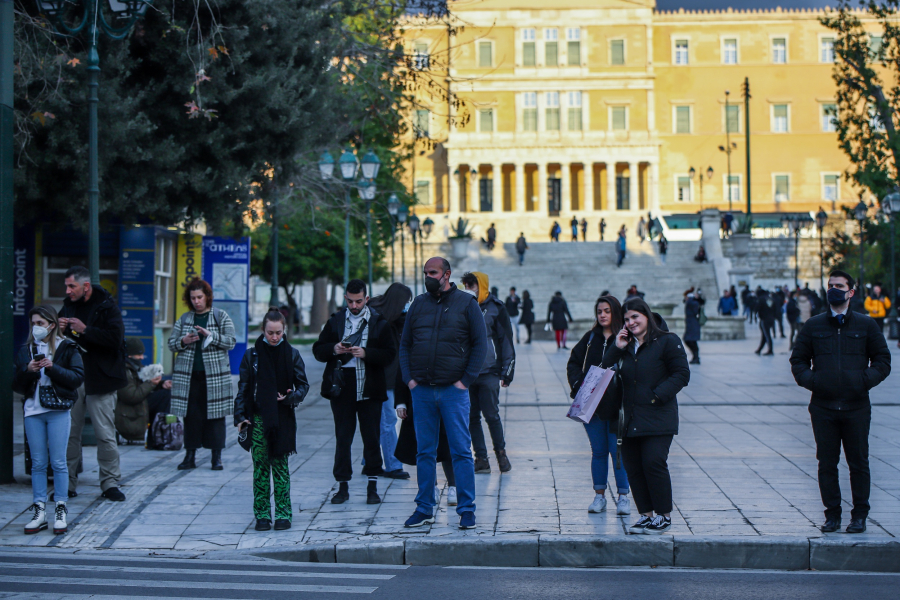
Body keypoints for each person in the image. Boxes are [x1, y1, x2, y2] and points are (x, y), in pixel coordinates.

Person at [790, 271, 891, 534]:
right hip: (823, 407)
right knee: (827, 463)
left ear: (851, 292)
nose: (834, 289)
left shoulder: (866, 325)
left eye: (839, 286)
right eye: (830, 286)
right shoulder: (813, 326)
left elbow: (882, 361)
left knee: (858, 462)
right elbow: (798, 360)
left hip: (856, 406)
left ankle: (859, 515)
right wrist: (814, 381)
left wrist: (862, 381)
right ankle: (832, 514)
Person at [399, 257, 488, 529]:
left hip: (453, 391)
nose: (428, 276)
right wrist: (410, 380)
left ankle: (466, 509)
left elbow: (480, 344)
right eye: (425, 272)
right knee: (424, 452)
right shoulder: (418, 304)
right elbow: (405, 345)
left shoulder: (467, 303)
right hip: (422, 390)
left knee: (461, 451)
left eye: (433, 272)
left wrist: (465, 381)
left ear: (446, 275)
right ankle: (424, 507)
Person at [603, 298, 690, 535]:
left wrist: (656, 396)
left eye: (635, 317)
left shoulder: (667, 341)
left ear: (647, 316)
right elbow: (603, 370)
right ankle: (646, 515)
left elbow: (682, 374)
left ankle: (663, 515)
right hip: (628, 417)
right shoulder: (624, 345)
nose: (631, 322)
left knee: (653, 462)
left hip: (658, 416)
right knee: (634, 467)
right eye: (627, 319)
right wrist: (616, 347)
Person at [313, 279, 396, 505]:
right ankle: (342, 487)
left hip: (370, 385)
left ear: (366, 299)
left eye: (359, 301)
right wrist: (334, 349)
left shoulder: (379, 322)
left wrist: (367, 353)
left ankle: (372, 486)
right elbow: (318, 351)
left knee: (371, 438)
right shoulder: (336, 321)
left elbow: (390, 354)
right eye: (350, 301)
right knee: (343, 437)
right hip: (343, 386)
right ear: (345, 299)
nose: (354, 305)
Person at [234, 308, 310, 531]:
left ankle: (284, 514)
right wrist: (240, 417)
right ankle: (262, 515)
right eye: (270, 333)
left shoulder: (292, 354)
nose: (274, 337)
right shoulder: (251, 355)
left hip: (283, 418)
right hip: (257, 418)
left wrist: (289, 398)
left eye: (278, 332)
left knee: (280, 466)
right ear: (263, 330)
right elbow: (243, 388)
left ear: (284, 330)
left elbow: (303, 386)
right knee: (260, 468)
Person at [59, 266, 127, 502]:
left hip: (101, 378)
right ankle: (65, 483)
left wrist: (85, 330)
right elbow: (59, 339)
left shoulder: (108, 307)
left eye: (72, 286)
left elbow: (115, 340)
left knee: (105, 435)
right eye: (66, 286)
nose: (68, 291)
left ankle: (109, 483)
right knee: (69, 434)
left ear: (85, 286)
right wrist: (57, 331)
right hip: (73, 377)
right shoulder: (68, 305)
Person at [15, 305, 84, 535]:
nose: (36, 328)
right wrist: (29, 370)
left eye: (40, 324)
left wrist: (52, 368)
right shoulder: (26, 350)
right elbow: (16, 385)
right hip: (33, 410)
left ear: (52, 325)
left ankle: (61, 509)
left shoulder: (67, 347)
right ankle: (39, 510)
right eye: (33, 323)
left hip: (58, 410)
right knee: (38, 463)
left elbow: (76, 378)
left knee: (59, 462)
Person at [566, 296, 630, 516]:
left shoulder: (625, 337)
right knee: (599, 452)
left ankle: (623, 497)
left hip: (617, 406)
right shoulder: (591, 337)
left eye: (607, 311)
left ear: (616, 313)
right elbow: (574, 361)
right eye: (599, 311)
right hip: (591, 405)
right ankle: (599, 496)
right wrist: (578, 384)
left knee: (617, 451)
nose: (602, 315)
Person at [168, 278, 236, 471]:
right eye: (193, 298)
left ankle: (216, 457)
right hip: (189, 376)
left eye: (200, 297)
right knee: (191, 416)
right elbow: (171, 343)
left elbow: (231, 342)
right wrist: (183, 340)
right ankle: (190, 455)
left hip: (214, 377)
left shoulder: (220, 316)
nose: (197, 301)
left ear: (207, 297)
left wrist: (211, 336)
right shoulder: (184, 319)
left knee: (216, 416)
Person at [461, 272, 516, 475]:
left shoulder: (496, 308)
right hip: (467, 373)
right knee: (471, 417)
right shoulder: (462, 306)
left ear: (481, 285)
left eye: (472, 284)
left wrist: (506, 371)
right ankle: (481, 459)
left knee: (491, 415)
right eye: (466, 284)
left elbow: (505, 340)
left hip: (489, 372)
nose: (468, 287)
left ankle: (501, 455)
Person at [367, 283, 414, 480]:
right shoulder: (376, 318)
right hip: (382, 377)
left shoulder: (399, 320)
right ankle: (393, 466)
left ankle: (369, 461)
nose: (407, 306)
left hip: (394, 376)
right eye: (405, 302)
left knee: (380, 422)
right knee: (388, 422)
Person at [116, 338, 170, 444]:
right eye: (138, 355)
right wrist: (151, 383)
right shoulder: (123, 370)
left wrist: (161, 384)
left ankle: (160, 432)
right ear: (129, 355)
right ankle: (158, 434)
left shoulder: (136, 367)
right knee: (164, 396)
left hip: (138, 403)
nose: (141, 357)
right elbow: (131, 396)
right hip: (128, 409)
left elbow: (143, 384)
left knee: (165, 394)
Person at [683, 289, 701, 365]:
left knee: (689, 340)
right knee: (692, 340)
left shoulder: (691, 302)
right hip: (692, 324)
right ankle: (696, 357)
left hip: (692, 324)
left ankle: (696, 357)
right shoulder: (693, 302)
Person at [755, 288, 775, 356]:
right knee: (765, 334)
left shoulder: (761, 299)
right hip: (771, 318)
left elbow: (757, 308)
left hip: (764, 319)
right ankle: (759, 349)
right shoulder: (770, 298)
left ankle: (770, 350)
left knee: (767, 335)